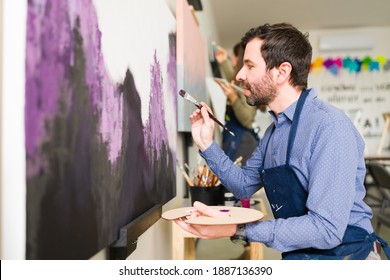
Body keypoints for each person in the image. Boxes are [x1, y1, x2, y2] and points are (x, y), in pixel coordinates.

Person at [175, 23, 390, 260]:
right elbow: (244, 185)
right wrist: (206, 144)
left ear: (281, 72)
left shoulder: (329, 127)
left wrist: (237, 229)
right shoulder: (274, 133)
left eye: (249, 66)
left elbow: (326, 229)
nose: (239, 76)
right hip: (304, 255)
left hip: (349, 256)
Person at [214, 43, 259, 165]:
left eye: (232, 57)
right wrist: (223, 62)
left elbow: (247, 118)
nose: (231, 59)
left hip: (242, 141)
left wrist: (232, 97)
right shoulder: (240, 82)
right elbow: (232, 79)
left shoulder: (249, 83)